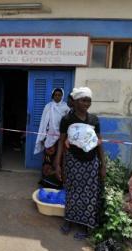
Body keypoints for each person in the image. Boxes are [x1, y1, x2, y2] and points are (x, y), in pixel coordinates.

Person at [54, 87, 106, 239]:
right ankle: (69, 221)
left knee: (88, 195)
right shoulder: (67, 120)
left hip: (91, 163)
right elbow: (61, 142)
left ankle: (84, 226)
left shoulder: (94, 120)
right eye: (83, 100)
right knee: (71, 192)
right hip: (72, 162)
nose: (86, 103)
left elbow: (98, 142)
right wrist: (57, 164)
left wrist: (103, 165)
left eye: (89, 100)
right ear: (75, 102)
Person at [34, 88, 69, 188]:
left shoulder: (66, 108)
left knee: (59, 160)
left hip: (61, 139)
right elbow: (44, 123)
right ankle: (46, 181)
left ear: (62, 96)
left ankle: (57, 183)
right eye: (55, 95)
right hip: (49, 138)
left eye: (59, 95)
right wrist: (43, 136)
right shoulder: (48, 107)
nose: (57, 97)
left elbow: (68, 124)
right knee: (48, 160)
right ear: (52, 96)